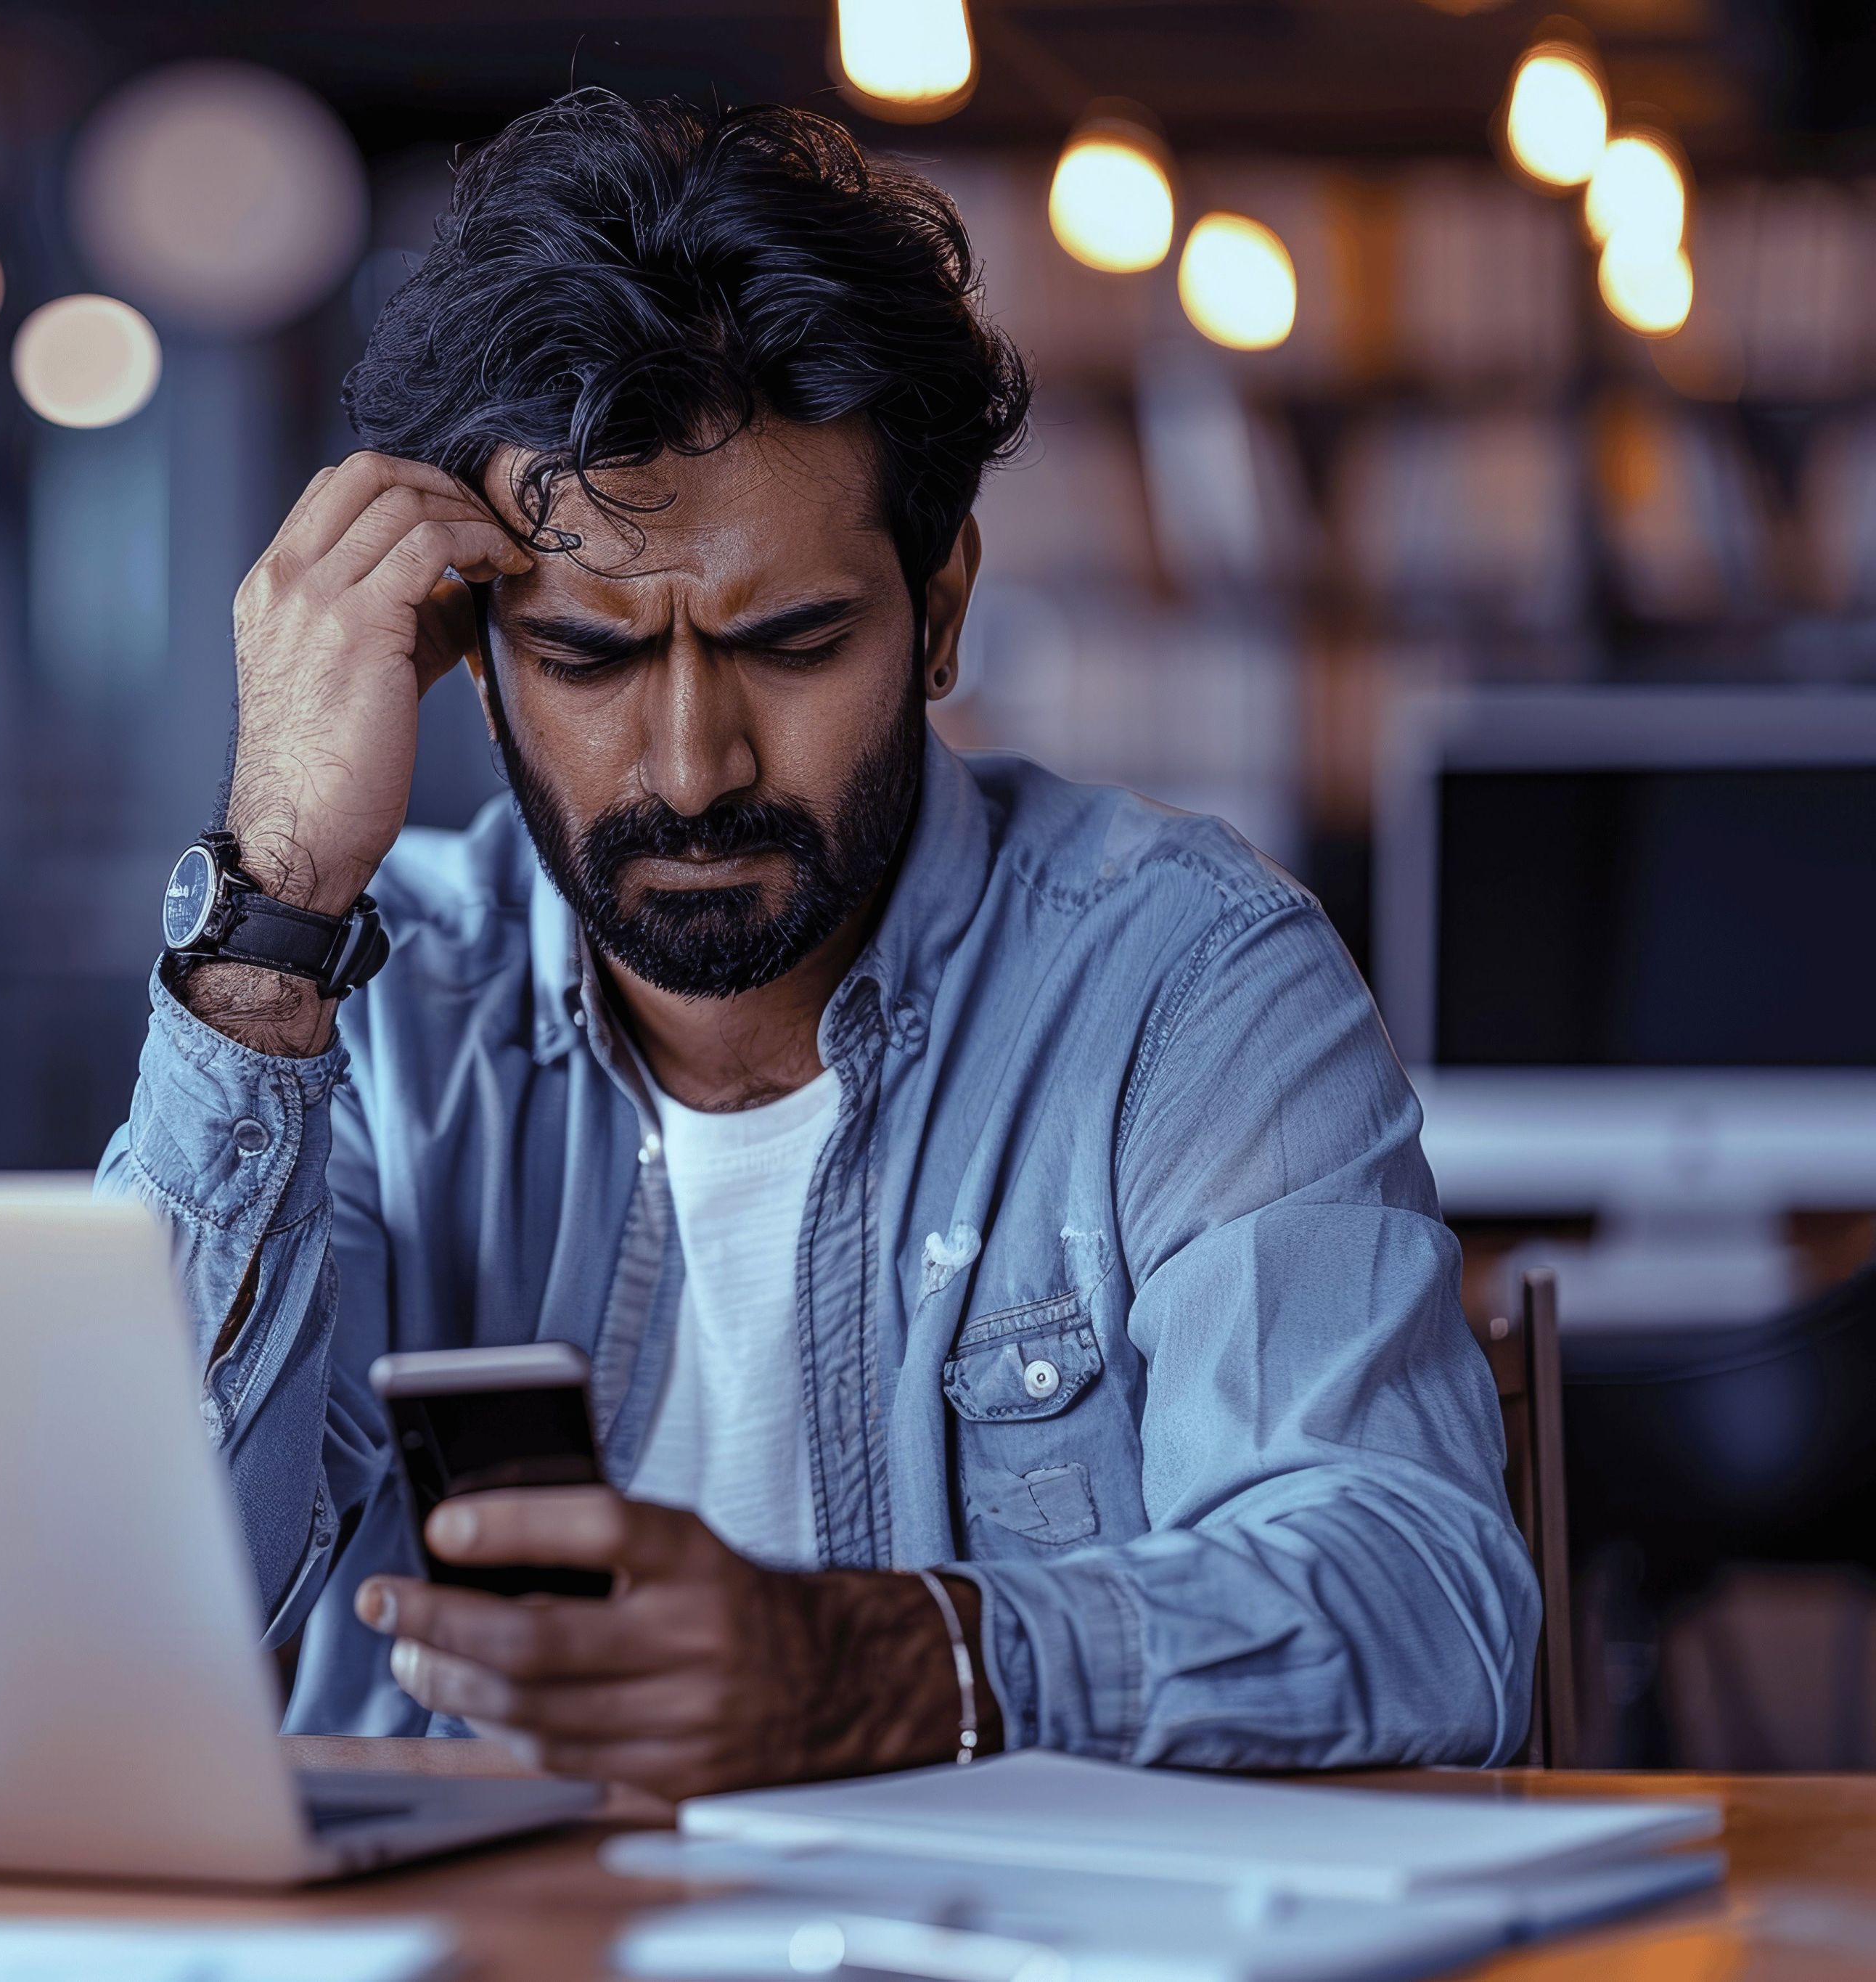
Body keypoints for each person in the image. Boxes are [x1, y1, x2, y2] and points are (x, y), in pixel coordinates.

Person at [100, 89, 1537, 1796]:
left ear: (936, 614)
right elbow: (117, 1621)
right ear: (465, 651)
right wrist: (270, 912)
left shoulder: (1180, 978)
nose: (692, 766)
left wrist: (880, 1667)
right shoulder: (366, 1003)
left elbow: (1423, 1605)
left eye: (788, 645)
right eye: (588, 661)